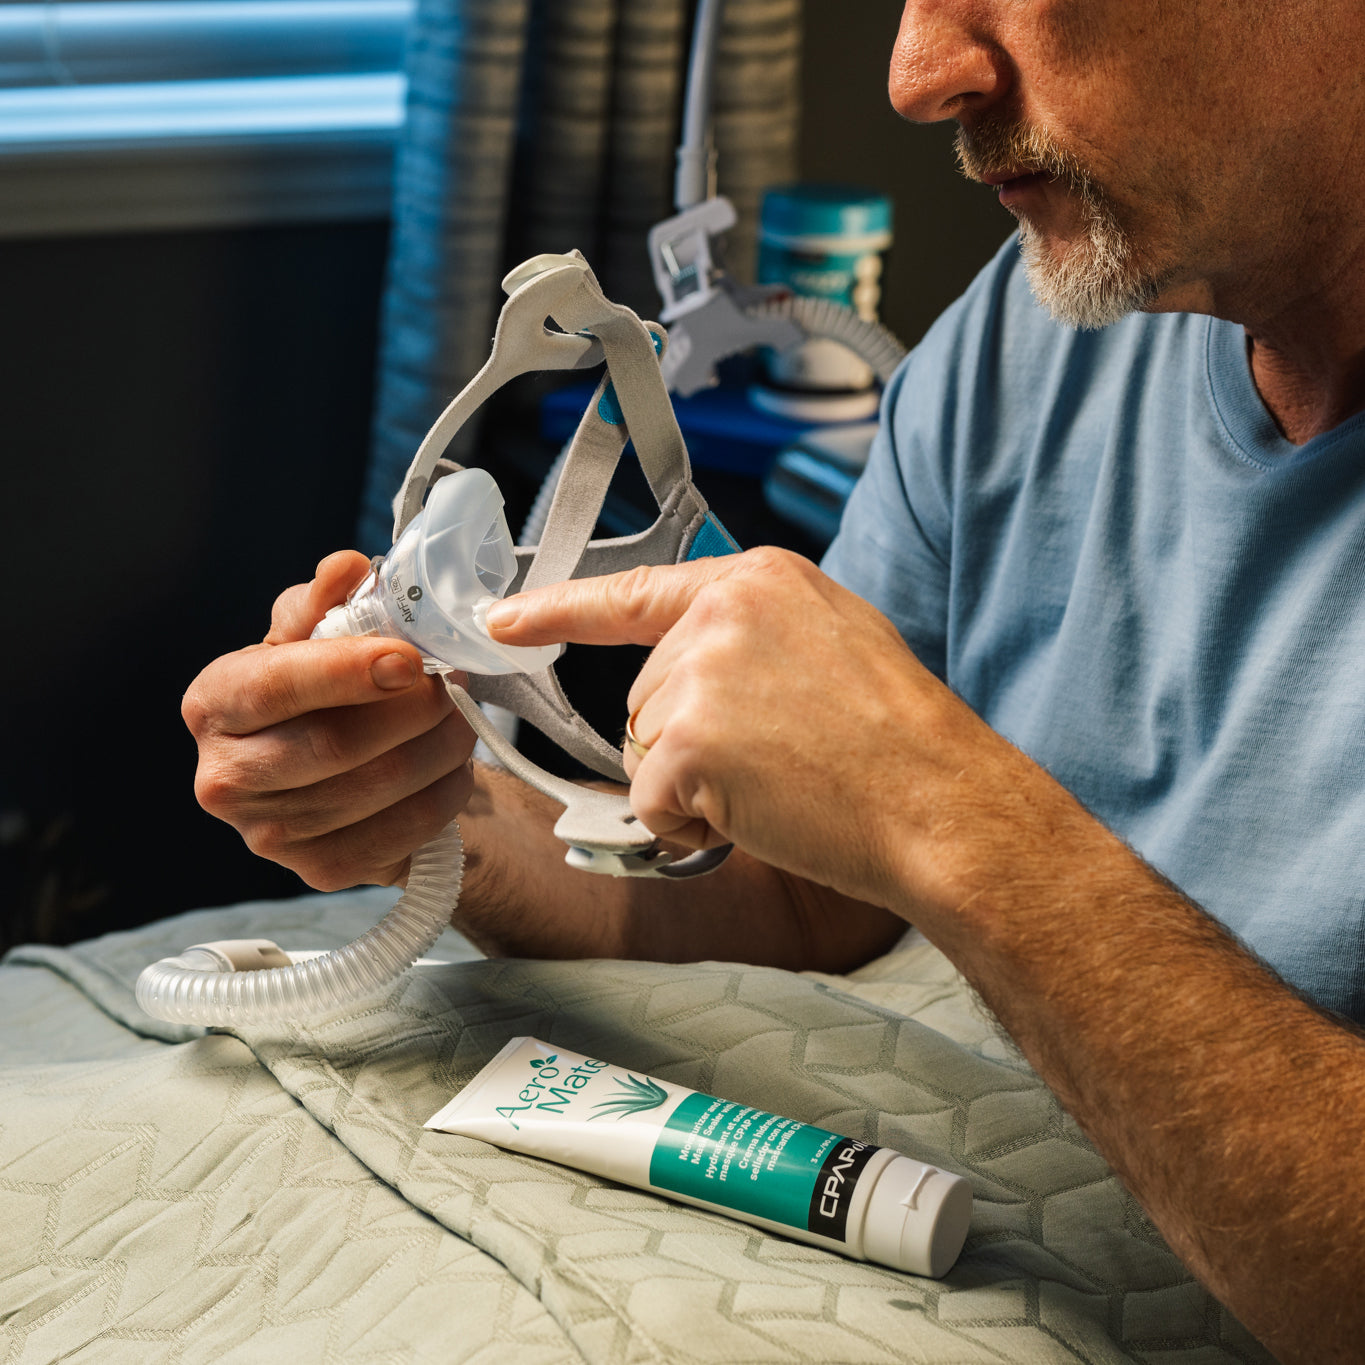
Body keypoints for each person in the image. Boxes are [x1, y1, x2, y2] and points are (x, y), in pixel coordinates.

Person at [183, 1, 1365, 1359]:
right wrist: (443, 819)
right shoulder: (1047, 325)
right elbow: (810, 886)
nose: (917, 76)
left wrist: (944, 807)